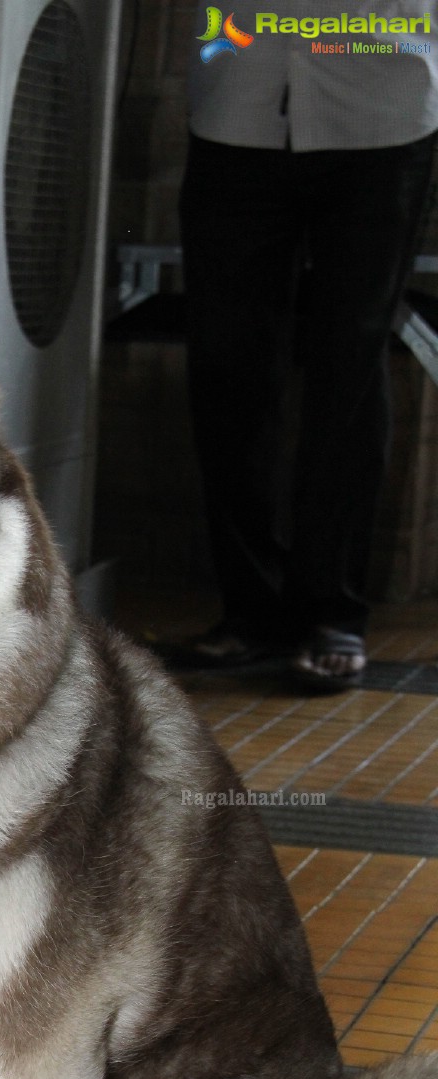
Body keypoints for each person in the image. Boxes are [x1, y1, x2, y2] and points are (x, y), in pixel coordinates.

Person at [178, 1, 438, 688]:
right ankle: (250, 610)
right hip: (237, 90)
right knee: (226, 366)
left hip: (382, 100)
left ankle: (333, 611)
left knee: (348, 366)